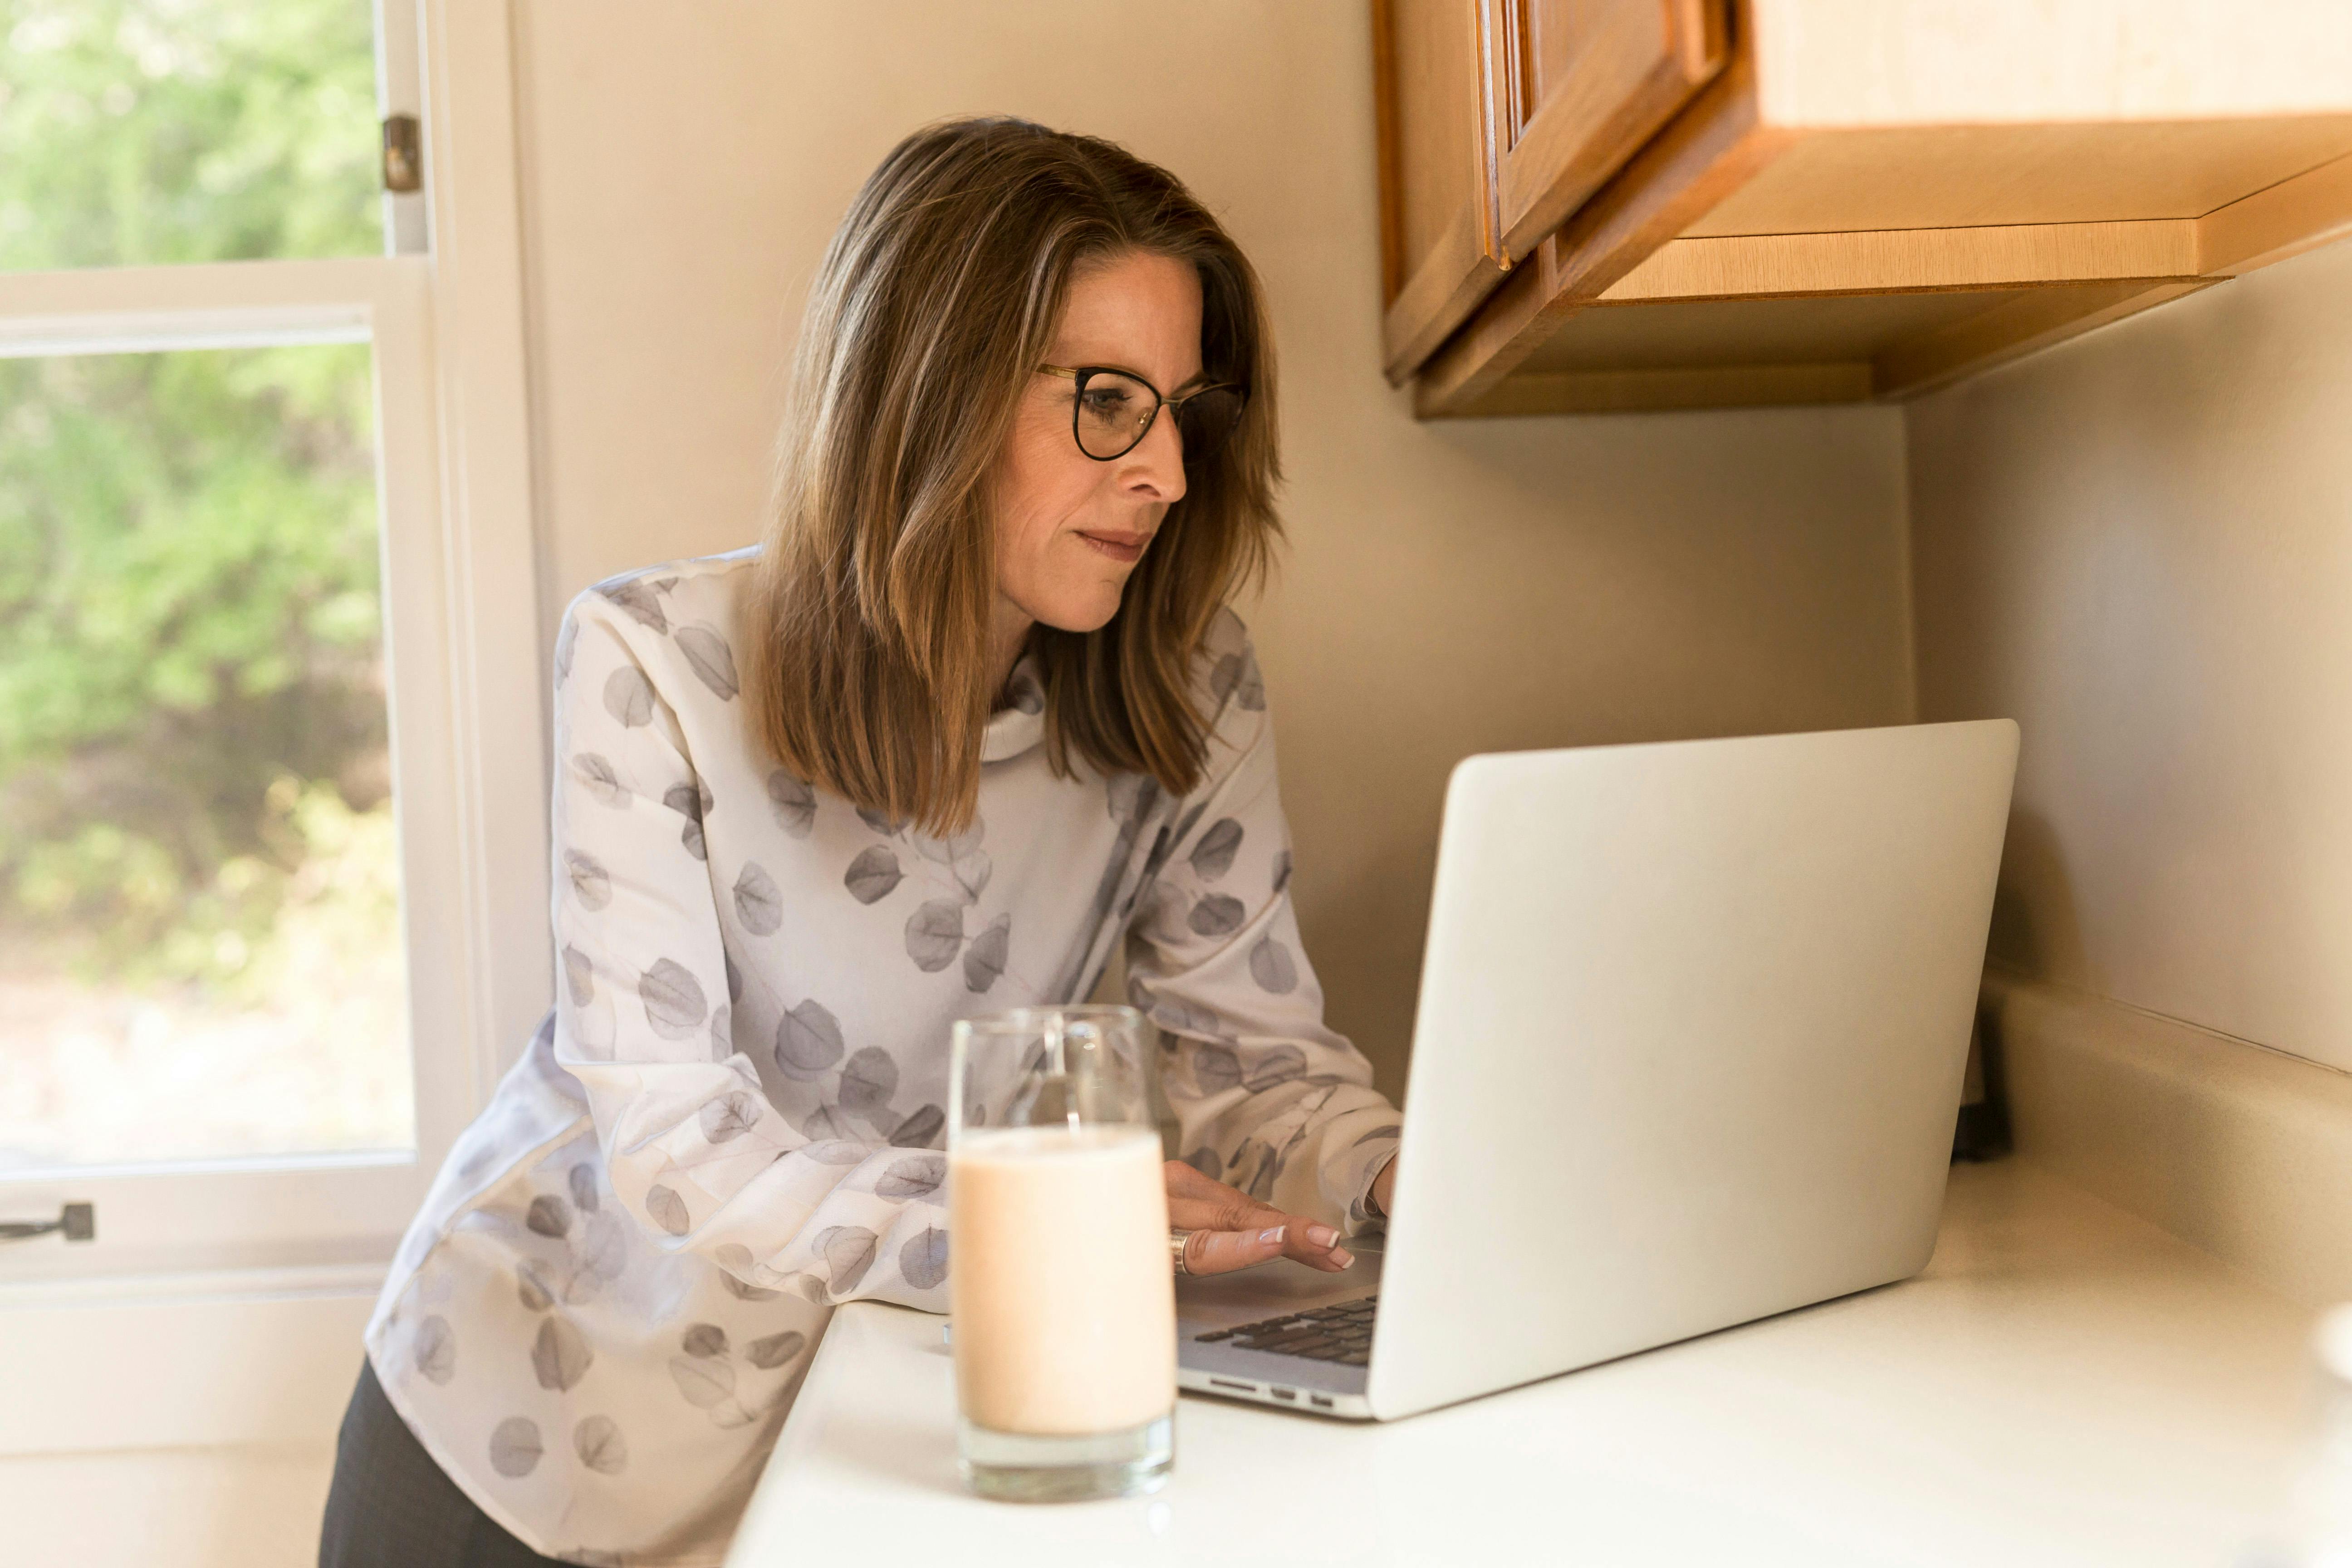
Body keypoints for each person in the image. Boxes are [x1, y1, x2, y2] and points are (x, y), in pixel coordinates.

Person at [318, 116, 1403, 1568]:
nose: (1168, 475)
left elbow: (1251, 1069)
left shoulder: (1189, 692)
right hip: (525, 1427)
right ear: (927, 392)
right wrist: (1040, 1218)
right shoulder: (651, 663)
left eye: (1182, 414)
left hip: (846, 1434)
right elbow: (682, 1150)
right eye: (1104, 401)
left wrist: (1409, 1176)